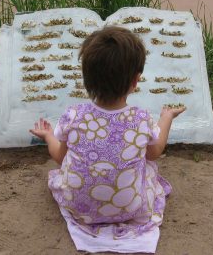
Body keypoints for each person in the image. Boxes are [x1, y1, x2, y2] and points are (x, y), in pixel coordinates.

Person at [29, 26, 185, 239]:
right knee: (147, 168)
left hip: (80, 208)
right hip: (130, 208)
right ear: (135, 80)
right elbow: (153, 153)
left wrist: (48, 136)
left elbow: (59, 157)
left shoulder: (74, 115)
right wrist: (166, 118)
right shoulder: (141, 119)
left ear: (86, 79)